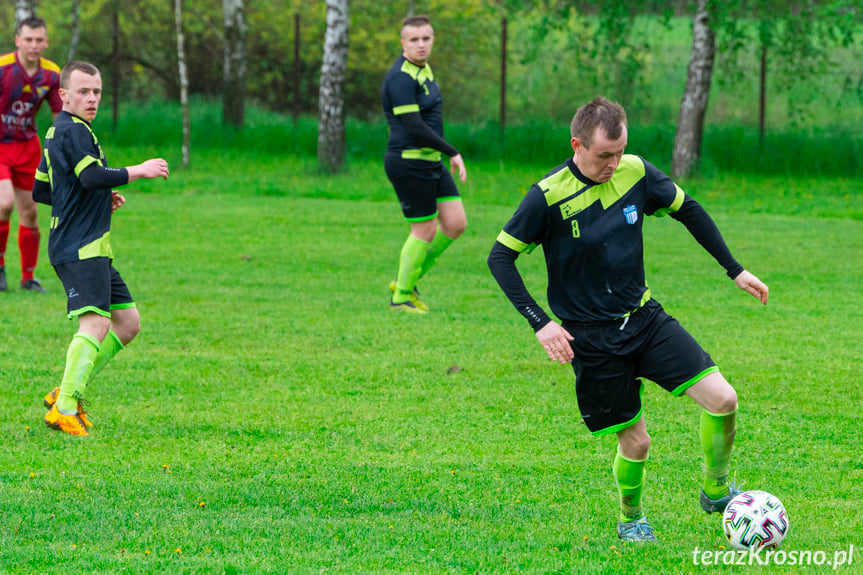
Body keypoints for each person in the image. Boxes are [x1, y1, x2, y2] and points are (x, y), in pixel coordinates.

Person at [487, 97, 769, 542]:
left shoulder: (635, 171)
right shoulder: (548, 196)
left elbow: (687, 209)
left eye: (620, 153)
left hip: (644, 319)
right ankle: (631, 517)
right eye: (604, 156)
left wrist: (735, 269)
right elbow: (500, 258)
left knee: (724, 399)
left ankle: (715, 492)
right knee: (637, 443)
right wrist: (541, 323)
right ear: (577, 144)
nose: (614, 164)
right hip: (592, 339)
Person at [33, 61, 169, 436]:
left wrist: (97, 200)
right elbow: (91, 176)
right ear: (63, 95)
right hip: (80, 247)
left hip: (90, 245)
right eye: (83, 91)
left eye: (96, 92)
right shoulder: (74, 130)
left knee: (127, 323)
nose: (92, 99)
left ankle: (68, 388)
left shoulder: (57, 132)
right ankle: (64, 407)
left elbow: (44, 190)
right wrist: (139, 169)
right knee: (95, 322)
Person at [380, 14, 467, 313]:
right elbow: (414, 127)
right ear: (403, 42)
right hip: (408, 161)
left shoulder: (424, 70)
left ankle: (408, 278)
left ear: (432, 40)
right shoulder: (400, 78)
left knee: (455, 224)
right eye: (414, 39)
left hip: (430, 161)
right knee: (425, 229)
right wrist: (451, 151)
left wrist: (441, 153)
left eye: (426, 39)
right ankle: (401, 295)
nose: (421, 45)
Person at [0, 16, 62, 292]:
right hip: (0, 145)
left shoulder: (52, 74)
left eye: (39, 40)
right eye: (28, 39)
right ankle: (0, 267)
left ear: (46, 43)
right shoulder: (3, 68)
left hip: (28, 147)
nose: (33, 45)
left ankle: (28, 278)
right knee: (4, 204)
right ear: (17, 41)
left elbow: (61, 115)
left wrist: (64, 148)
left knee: (31, 211)